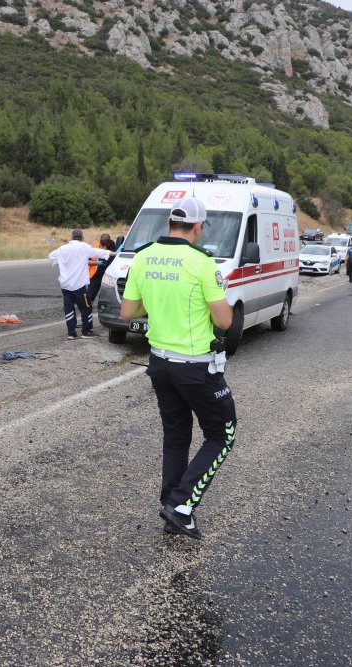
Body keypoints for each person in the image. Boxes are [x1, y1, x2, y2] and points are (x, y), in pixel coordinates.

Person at [119, 197, 235, 540]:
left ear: (170, 223)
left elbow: (127, 313)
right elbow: (224, 320)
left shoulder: (142, 257)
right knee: (222, 433)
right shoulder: (201, 263)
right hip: (196, 366)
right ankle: (182, 505)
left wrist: (158, 303)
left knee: (176, 434)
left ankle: (171, 501)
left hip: (160, 362)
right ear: (198, 227)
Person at [48, 229, 114, 339]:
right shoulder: (83, 247)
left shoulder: (62, 248)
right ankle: (86, 331)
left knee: (69, 309)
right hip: (78, 285)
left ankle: (71, 333)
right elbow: (100, 252)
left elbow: (51, 256)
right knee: (86, 307)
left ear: (72, 237)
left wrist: (64, 262)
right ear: (82, 237)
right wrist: (117, 253)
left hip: (65, 285)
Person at [87, 233, 118, 303]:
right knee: (89, 297)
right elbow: (87, 261)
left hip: (109, 277)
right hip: (95, 276)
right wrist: (96, 263)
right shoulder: (95, 248)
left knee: (108, 298)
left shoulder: (113, 248)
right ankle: (88, 310)